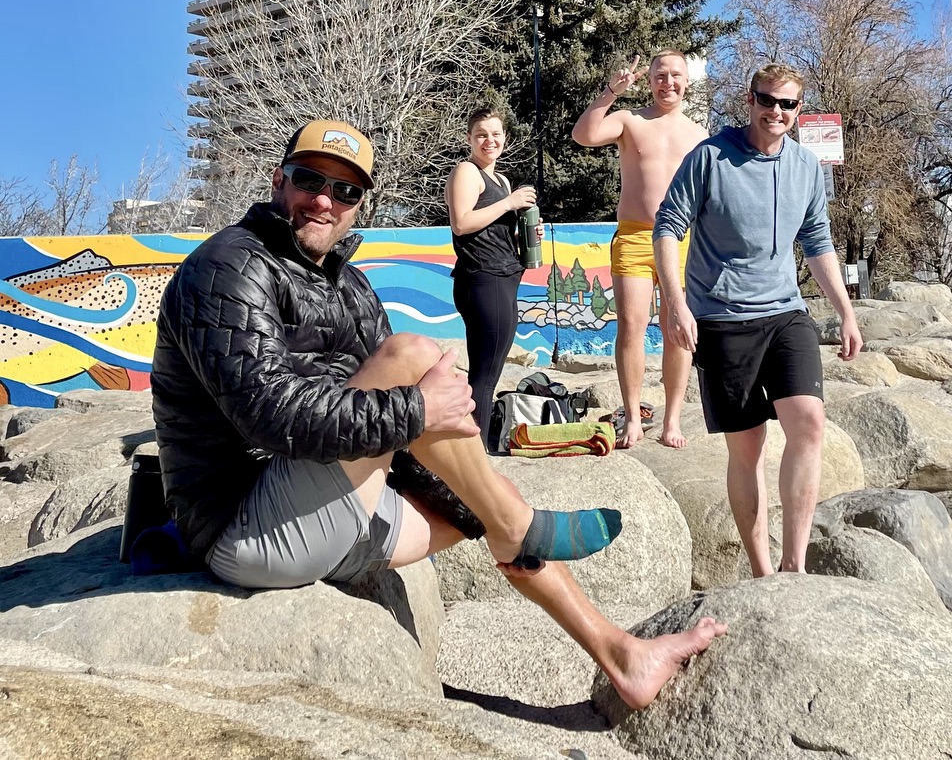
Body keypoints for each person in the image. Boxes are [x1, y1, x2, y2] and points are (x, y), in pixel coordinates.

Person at [152, 119, 725, 709]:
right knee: (411, 358)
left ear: (360, 204)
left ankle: (621, 655)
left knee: (487, 504)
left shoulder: (348, 286)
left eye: (345, 191)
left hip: (328, 513)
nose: (324, 201)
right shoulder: (226, 267)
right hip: (246, 528)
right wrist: (417, 407)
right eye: (310, 180)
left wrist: (477, 498)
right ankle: (518, 523)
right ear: (278, 180)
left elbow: (399, 440)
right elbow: (269, 416)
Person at [652, 65, 863, 578]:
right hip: (722, 319)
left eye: (787, 104)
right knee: (748, 448)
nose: (776, 111)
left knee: (808, 422)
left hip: (786, 313)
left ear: (799, 110)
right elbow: (667, 227)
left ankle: (795, 565)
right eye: (767, 100)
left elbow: (817, 242)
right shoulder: (710, 158)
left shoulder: (807, 167)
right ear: (749, 100)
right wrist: (677, 303)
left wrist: (846, 311)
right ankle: (762, 570)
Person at [571, 50, 709, 450]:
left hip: (681, 240)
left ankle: (672, 419)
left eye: (675, 75)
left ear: (687, 81)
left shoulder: (700, 134)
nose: (668, 82)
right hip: (634, 236)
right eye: (660, 75)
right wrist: (611, 92)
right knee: (631, 326)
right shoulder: (630, 120)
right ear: (649, 80)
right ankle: (632, 416)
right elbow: (583, 135)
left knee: (677, 329)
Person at [445, 107, 535, 451]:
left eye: (496, 134)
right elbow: (462, 223)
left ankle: (473, 448)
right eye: (481, 134)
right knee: (483, 377)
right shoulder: (467, 171)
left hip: (504, 276)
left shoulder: (501, 180)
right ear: (469, 138)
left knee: (490, 373)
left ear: (505, 138)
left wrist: (524, 235)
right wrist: (509, 203)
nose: (489, 140)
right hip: (483, 278)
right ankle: (476, 454)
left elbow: (493, 232)